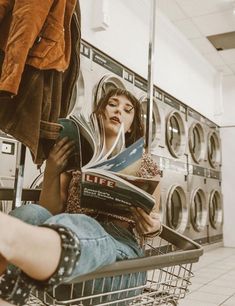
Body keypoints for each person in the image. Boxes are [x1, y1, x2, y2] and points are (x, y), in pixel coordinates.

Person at [0, 88, 161, 306]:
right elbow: (50, 211)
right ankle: (11, 279)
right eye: (112, 104)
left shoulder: (145, 163)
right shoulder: (78, 158)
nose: (118, 111)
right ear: (98, 113)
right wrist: (52, 171)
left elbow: (155, 219)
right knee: (31, 212)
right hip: (61, 260)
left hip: (118, 260)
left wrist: (152, 227)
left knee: (84, 224)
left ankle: (12, 238)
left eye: (127, 109)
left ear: (132, 125)